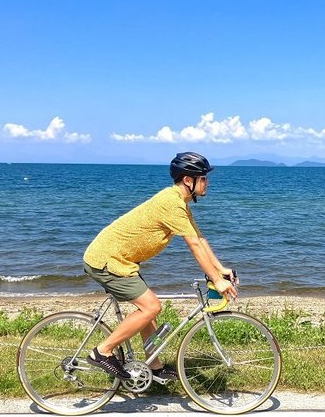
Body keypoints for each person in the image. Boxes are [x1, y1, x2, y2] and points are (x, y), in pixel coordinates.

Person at [82, 152, 238, 381]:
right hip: (107, 261)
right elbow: (193, 244)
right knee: (151, 307)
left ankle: (153, 367)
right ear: (188, 180)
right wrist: (216, 280)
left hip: (123, 261)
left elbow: (200, 238)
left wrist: (220, 269)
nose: (207, 182)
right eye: (203, 178)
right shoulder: (171, 203)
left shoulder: (179, 203)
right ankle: (102, 352)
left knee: (149, 313)